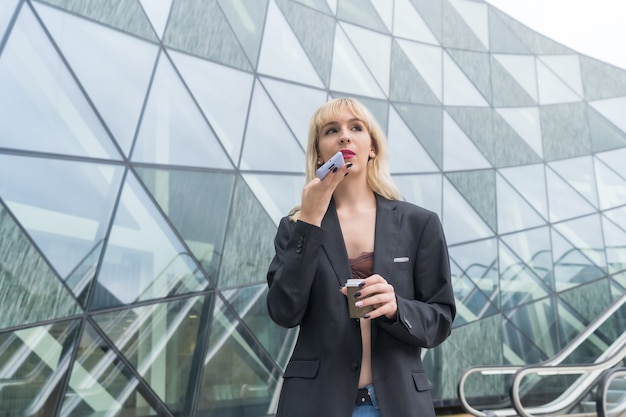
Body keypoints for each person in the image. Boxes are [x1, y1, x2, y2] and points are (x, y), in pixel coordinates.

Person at [266, 97, 456, 417]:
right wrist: (310, 220)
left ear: (372, 148)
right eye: (331, 131)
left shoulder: (419, 224)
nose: (344, 136)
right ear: (319, 155)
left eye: (356, 127)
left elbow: (440, 320)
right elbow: (284, 312)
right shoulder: (295, 229)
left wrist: (397, 308)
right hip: (316, 403)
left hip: (398, 404)